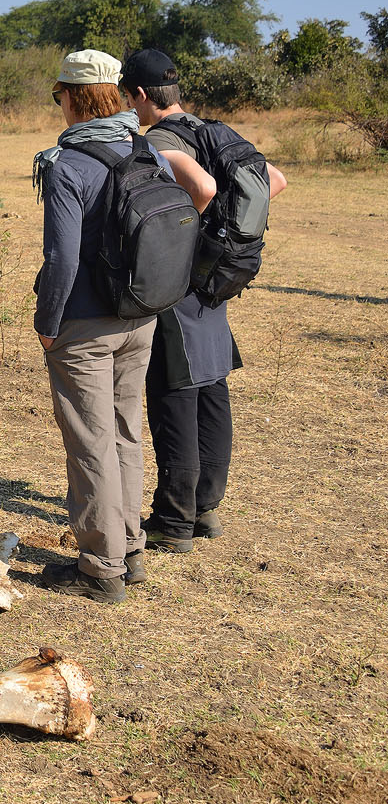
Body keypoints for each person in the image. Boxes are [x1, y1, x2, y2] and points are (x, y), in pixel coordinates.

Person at [32, 49, 214, 604]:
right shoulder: (147, 152)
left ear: (73, 95)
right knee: (124, 434)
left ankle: (100, 567)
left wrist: (48, 321)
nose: (58, 102)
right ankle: (129, 549)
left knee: (90, 443)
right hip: (141, 317)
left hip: (84, 325)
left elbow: (62, 259)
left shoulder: (66, 165)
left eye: (58, 93)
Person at [120, 49, 287, 553]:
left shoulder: (160, 140)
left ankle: (174, 520)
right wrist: (222, 238)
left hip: (180, 281)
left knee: (175, 392)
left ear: (142, 96)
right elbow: (274, 180)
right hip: (217, 282)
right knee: (212, 385)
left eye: (130, 98)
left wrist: (186, 232)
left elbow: (204, 188)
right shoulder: (212, 130)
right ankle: (206, 509)